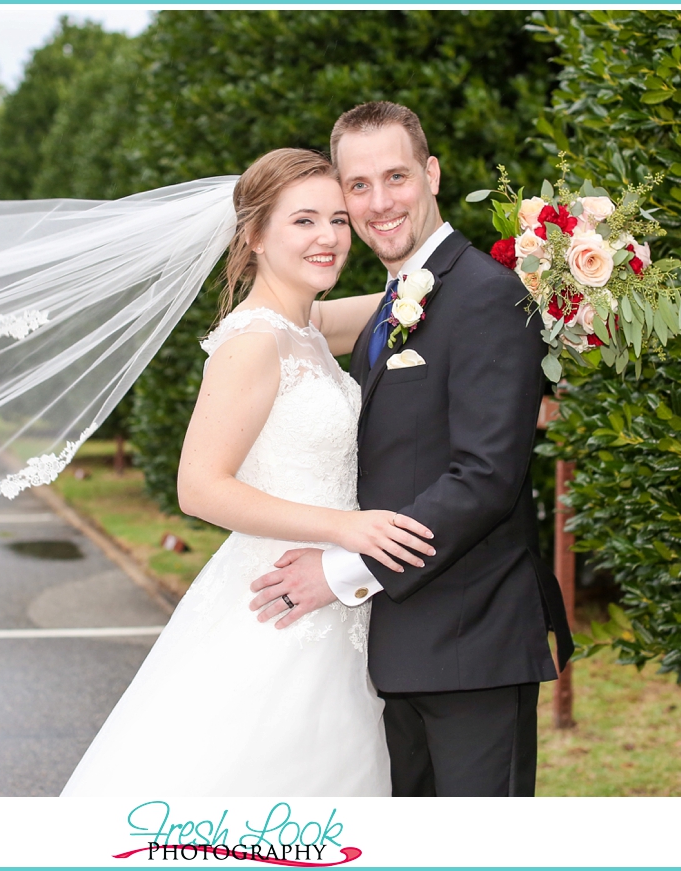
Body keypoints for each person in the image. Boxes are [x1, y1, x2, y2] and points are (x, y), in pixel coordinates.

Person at [60, 148, 435, 797]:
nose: (328, 237)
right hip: (281, 596)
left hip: (337, 597)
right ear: (255, 235)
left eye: (339, 219)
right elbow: (199, 486)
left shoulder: (309, 327)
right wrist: (345, 527)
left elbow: (420, 295)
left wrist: (530, 269)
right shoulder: (253, 341)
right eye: (305, 221)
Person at [250, 102, 574, 797]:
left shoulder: (487, 296)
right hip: (397, 648)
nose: (379, 202)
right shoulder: (397, 300)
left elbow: (484, 478)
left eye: (395, 176)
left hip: (471, 646)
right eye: (357, 186)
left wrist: (341, 570)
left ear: (431, 174)